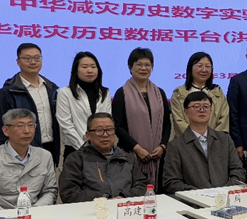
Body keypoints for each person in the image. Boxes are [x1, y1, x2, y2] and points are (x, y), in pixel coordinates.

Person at [0, 108, 57, 210]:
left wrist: (36, 209)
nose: (27, 131)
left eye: (31, 125)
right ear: (6, 130)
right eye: (20, 126)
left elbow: (50, 191)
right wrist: (7, 216)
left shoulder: (45, 156)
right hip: (0, 214)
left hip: (35, 213)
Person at [0, 43, 60, 166]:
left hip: (49, 147)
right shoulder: (8, 92)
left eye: (37, 58)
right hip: (20, 150)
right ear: (18, 62)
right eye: (27, 58)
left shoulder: (51, 89)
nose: (33, 62)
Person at [163, 92, 246, 194]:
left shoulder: (225, 140)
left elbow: (238, 171)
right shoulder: (176, 145)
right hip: (193, 200)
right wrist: (200, 194)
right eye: (196, 106)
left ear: (211, 111)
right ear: (186, 112)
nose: (202, 110)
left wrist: (225, 190)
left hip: (225, 197)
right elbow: (171, 182)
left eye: (206, 106)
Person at [112, 47, 171, 190]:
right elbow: (118, 126)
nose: (143, 68)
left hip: (157, 156)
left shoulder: (160, 93)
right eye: (139, 64)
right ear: (130, 67)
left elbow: (167, 124)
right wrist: (138, 149)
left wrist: (162, 146)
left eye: (147, 65)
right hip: (130, 154)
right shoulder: (121, 93)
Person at [59, 113, 147, 202]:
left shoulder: (128, 158)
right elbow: (69, 193)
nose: (105, 135)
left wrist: (123, 197)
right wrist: (105, 198)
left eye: (109, 130)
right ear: (88, 135)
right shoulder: (76, 159)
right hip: (92, 208)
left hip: (125, 206)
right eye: (99, 130)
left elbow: (141, 185)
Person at [56, 52, 112, 161]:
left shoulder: (105, 92)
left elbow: (107, 120)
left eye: (93, 67)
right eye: (84, 67)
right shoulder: (65, 93)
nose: (89, 70)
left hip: (101, 149)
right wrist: (84, 148)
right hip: (75, 149)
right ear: (76, 70)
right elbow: (65, 124)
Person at [169, 51, 229, 139]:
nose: (204, 70)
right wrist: (198, 139)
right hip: (187, 143)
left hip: (215, 142)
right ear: (190, 68)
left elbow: (224, 120)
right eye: (200, 66)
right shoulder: (179, 93)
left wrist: (211, 139)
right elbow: (179, 121)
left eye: (208, 66)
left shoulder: (218, 92)